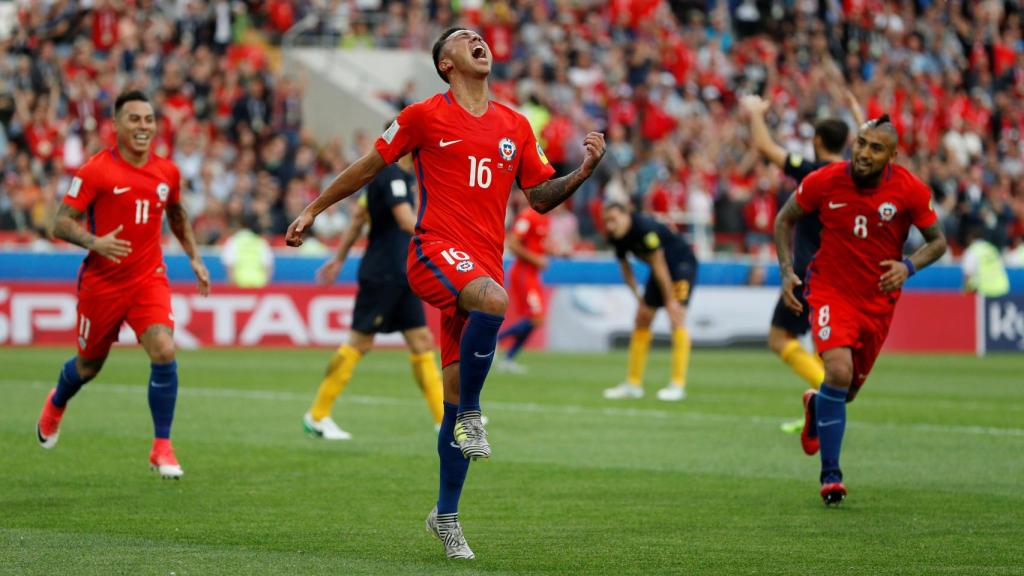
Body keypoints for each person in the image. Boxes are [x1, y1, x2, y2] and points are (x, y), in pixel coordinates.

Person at [284, 27, 605, 559]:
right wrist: (315, 208)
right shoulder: (422, 116)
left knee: (452, 397)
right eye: (464, 39)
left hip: (479, 270)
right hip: (434, 252)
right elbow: (369, 165)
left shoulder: (516, 125)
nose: (479, 41)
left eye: (482, 36)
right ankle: (476, 417)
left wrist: (585, 170)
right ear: (445, 64)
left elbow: (540, 197)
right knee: (495, 308)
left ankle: (446, 516)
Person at [36, 90, 211, 479]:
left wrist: (195, 258)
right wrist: (94, 242)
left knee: (164, 350)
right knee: (88, 366)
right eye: (134, 119)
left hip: (148, 278)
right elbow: (60, 222)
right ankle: (57, 401)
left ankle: (161, 446)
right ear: (115, 125)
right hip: (103, 284)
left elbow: (177, 215)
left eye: (149, 120)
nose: (143, 127)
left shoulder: (167, 171)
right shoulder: (97, 170)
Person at [774, 115, 947, 505]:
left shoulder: (910, 191)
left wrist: (908, 266)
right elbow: (785, 219)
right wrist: (786, 271)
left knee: (843, 393)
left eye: (875, 148)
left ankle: (816, 405)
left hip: (878, 302)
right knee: (837, 369)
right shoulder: (824, 180)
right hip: (830, 290)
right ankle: (830, 477)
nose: (864, 153)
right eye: (861, 143)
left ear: (892, 155)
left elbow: (938, 242)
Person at [303, 154, 444, 440]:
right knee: (360, 341)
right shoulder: (391, 175)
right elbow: (406, 221)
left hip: (401, 273)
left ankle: (444, 420)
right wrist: (446, 233)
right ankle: (317, 415)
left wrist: (339, 259)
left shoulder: (394, 178)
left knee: (421, 341)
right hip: (384, 273)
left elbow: (358, 218)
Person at [742, 93, 859, 434]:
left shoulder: (814, 172)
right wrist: (856, 112)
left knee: (780, 338)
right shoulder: (855, 174)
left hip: (810, 271)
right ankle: (823, 406)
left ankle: (830, 393)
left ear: (817, 140)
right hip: (846, 274)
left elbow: (765, 146)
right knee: (825, 345)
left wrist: (756, 113)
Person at [601, 201, 697, 402]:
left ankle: (677, 385)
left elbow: (659, 263)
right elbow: (625, 267)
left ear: (626, 214)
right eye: (607, 221)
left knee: (676, 316)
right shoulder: (616, 236)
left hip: (681, 266)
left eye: (614, 219)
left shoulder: (644, 229)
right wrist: (638, 297)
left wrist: (670, 300)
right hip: (659, 270)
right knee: (642, 318)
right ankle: (633, 385)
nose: (610, 225)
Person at [495, 205, 549, 374]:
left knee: (535, 319)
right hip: (524, 274)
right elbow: (513, 243)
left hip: (533, 275)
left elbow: (535, 244)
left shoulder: (545, 217)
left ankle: (508, 359)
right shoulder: (528, 216)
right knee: (536, 318)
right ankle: (494, 341)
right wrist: (536, 260)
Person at [961, 222, 1010, 297]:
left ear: (970, 237)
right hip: (1002, 289)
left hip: (985, 292)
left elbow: (968, 275)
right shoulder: (992, 248)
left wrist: (964, 295)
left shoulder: (972, 251)